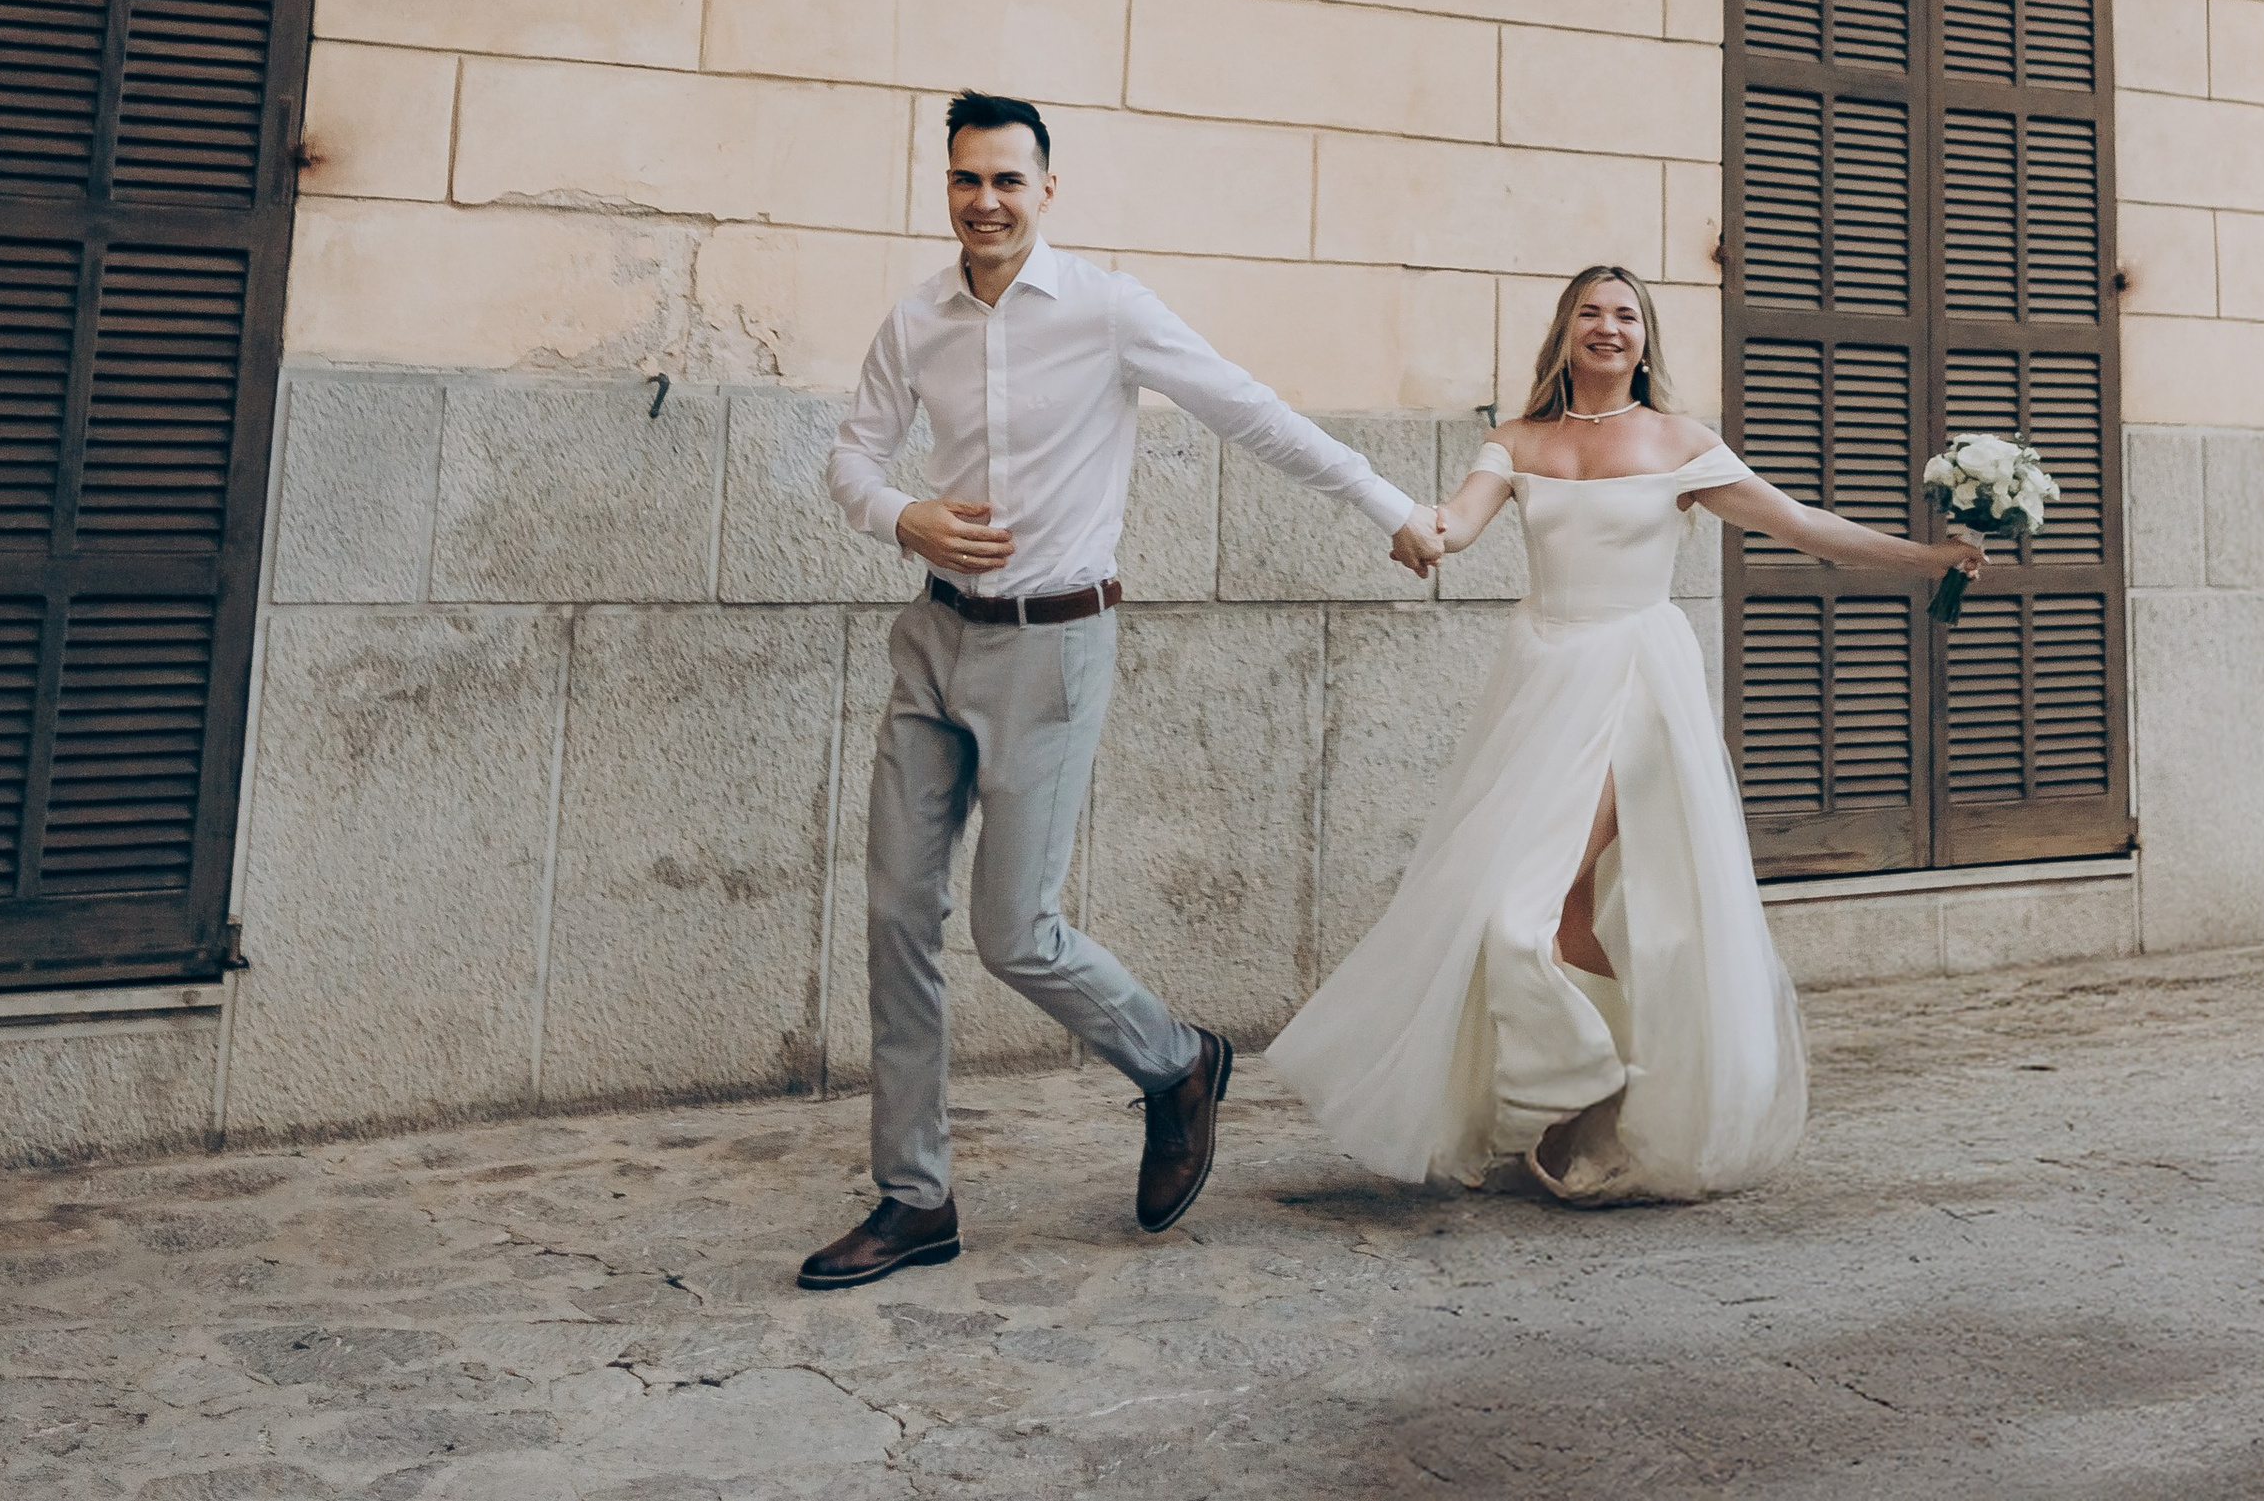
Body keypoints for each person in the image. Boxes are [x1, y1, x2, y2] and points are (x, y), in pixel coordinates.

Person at [801, 89, 1445, 1290]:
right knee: (896, 917)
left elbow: (1247, 408)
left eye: (1006, 180)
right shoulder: (917, 319)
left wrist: (1390, 505)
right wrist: (904, 513)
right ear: (943, 188)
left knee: (1012, 931)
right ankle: (914, 1197)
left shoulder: (1105, 308)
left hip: (1053, 647)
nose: (984, 202)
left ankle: (1176, 1061)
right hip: (932, 641)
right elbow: (850, 449)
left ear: (1048, 189)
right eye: (964, 181)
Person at [1269, 261, 1983, 1203]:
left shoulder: (1681, 441)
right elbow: (1456, 524)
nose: (1609, 327)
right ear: (1565, 332)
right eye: (1591, 313)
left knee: (1533, 900)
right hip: (1539, 683)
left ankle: (1591, 1085)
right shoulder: (1515, 440)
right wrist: (1408, 525)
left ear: (1646, 339)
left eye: (1627, 315)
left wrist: (1927, 556)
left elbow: (1800, 524)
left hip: (1634, 682)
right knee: (1554, 910)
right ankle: (1590, 1090)